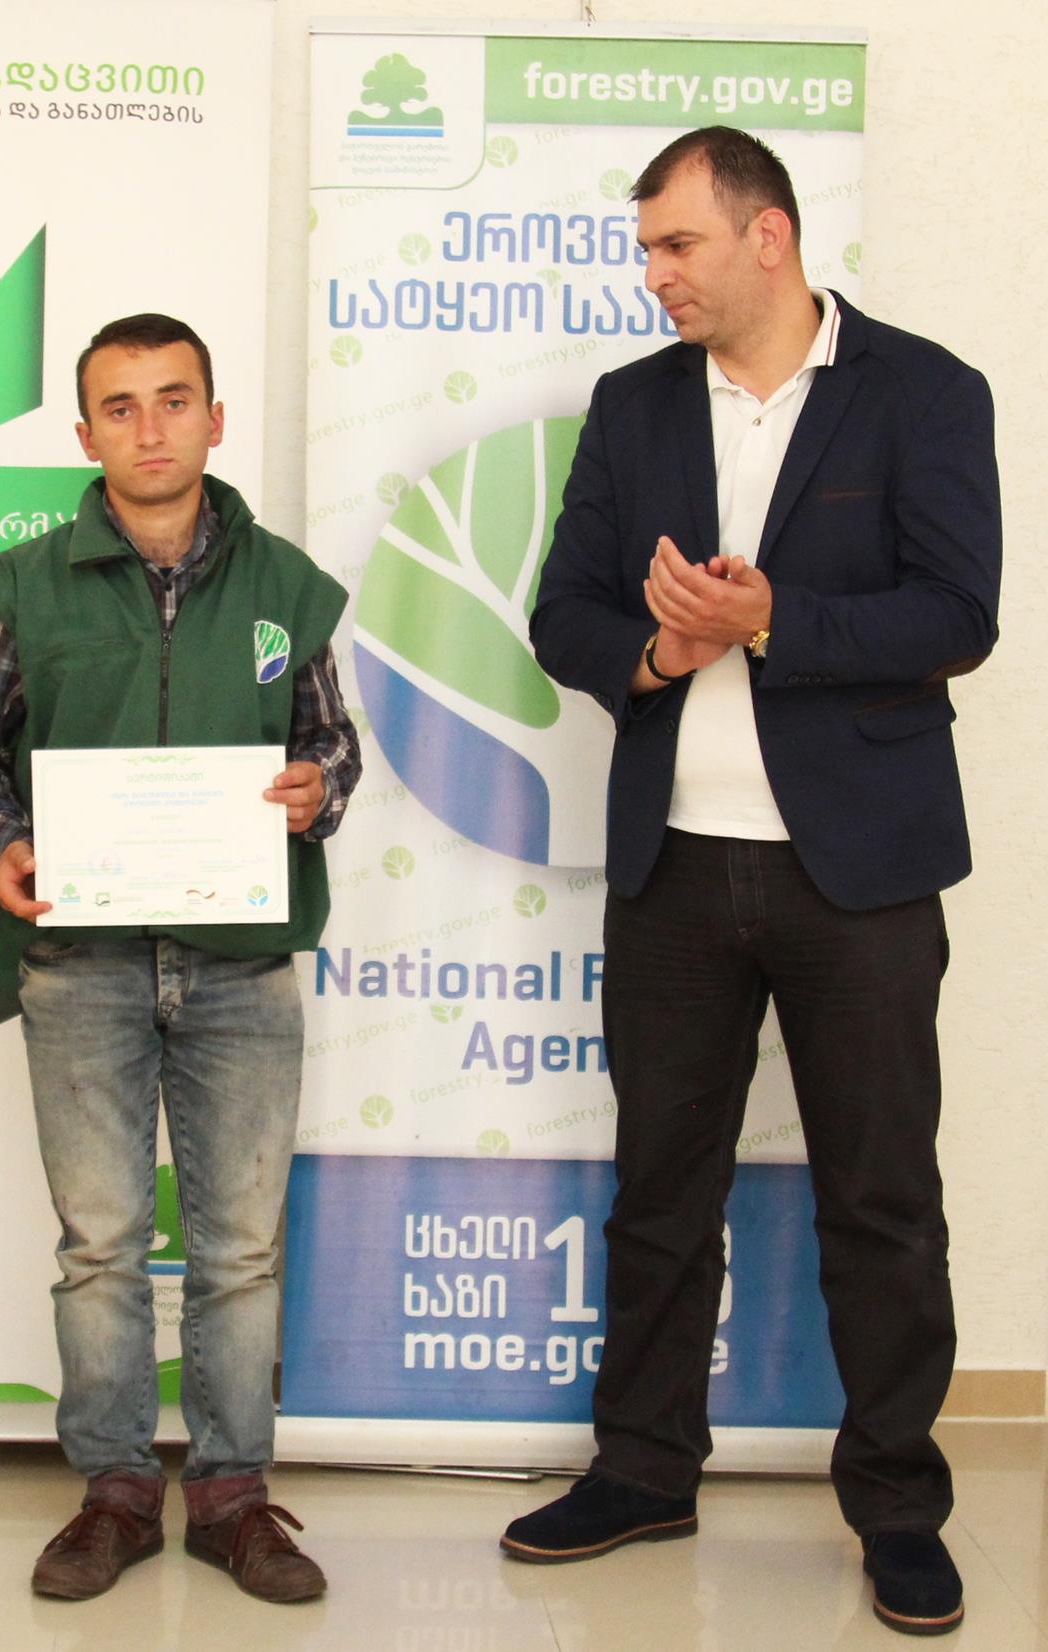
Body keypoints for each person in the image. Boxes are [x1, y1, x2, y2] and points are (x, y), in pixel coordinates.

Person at [505, 128, 1000, 1638]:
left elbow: (956, 613)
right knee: (661, 1190)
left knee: (880, 1198)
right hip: (672, 866)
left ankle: (897, 1506)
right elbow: (562, 614)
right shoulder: (633, 404)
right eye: (647, 250)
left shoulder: (925, 390)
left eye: (677, 245)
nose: (653, 275)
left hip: (859, 872)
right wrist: (660, 650)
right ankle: (643, 1468)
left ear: (766, 235)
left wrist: (775, 620)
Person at [0, 313, 361, 1604]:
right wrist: (0, 841)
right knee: (102, 1244)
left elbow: (331, 744)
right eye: (118, 406)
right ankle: (114, 1491)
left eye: (174, 399)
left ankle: (232, 1498)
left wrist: (315, 789)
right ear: (85, 433)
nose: (149, 427)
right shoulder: (23, 585)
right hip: (83, 963)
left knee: (239, 1249)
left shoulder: (285, 585)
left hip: (242, 963)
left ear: (215, 419)